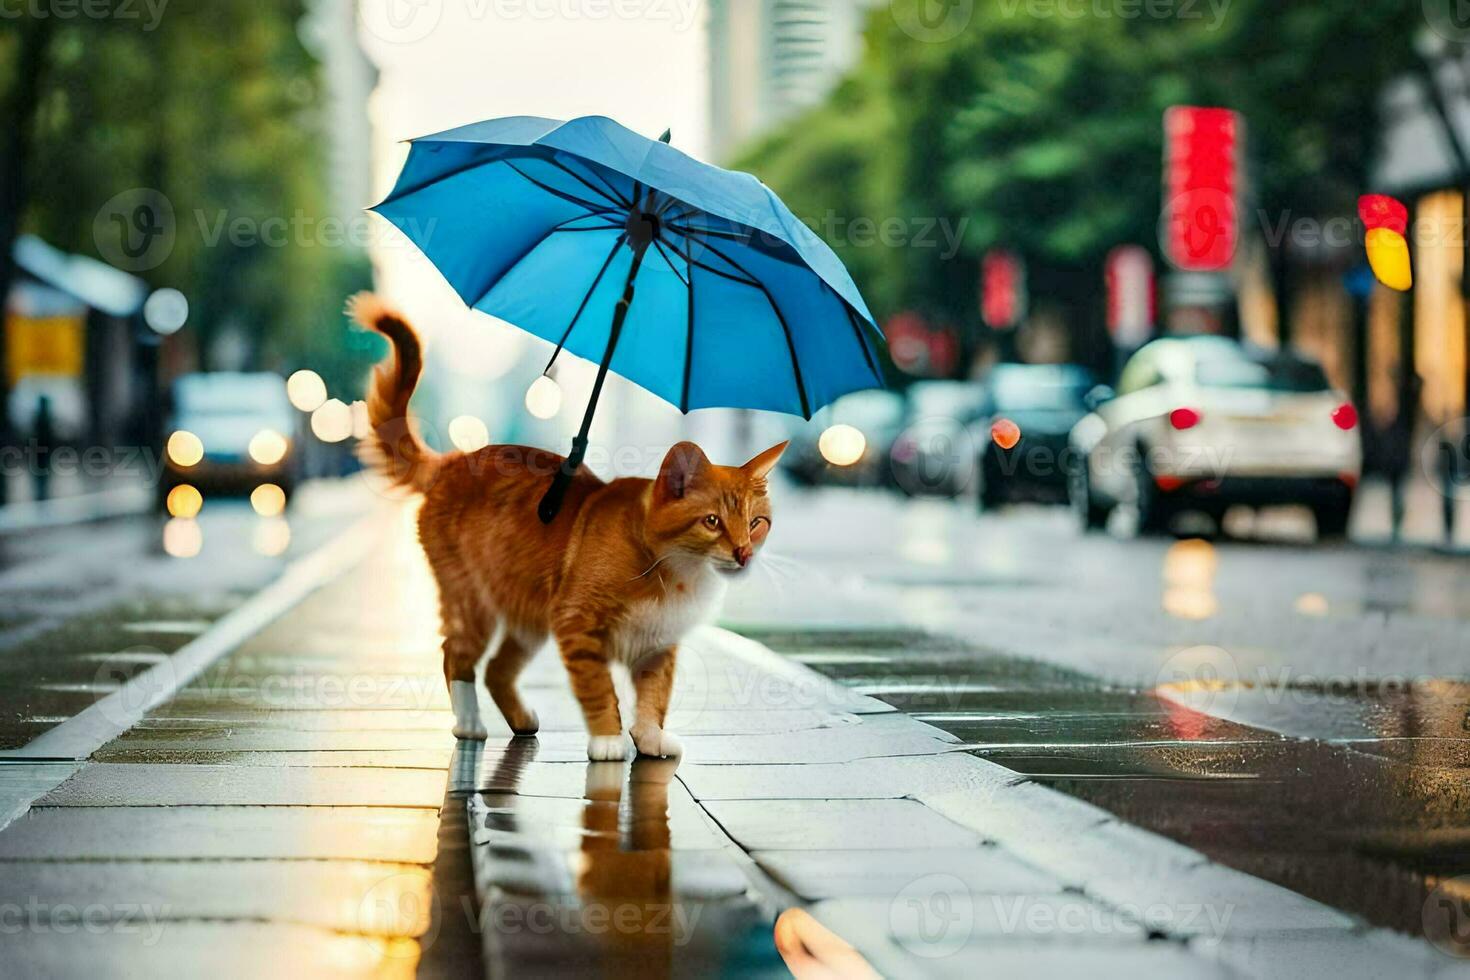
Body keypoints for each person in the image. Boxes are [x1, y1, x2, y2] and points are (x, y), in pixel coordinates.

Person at [32, 394, 54, 503]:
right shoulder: (44, 419)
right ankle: (41, 494)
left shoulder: (39, 419)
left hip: (39, 453)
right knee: (41, 476)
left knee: (41, 476)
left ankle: (41, 494)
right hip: (40, 453)